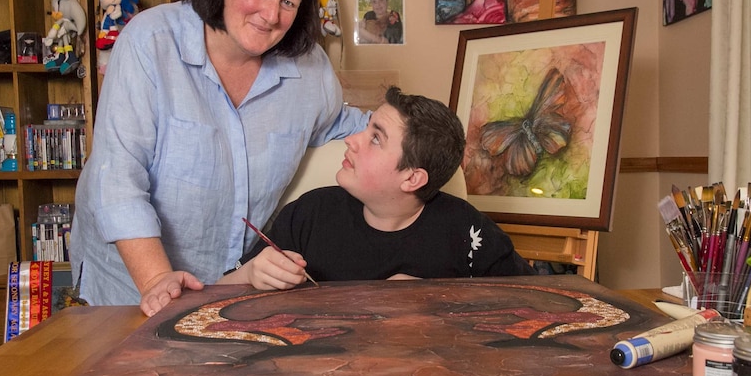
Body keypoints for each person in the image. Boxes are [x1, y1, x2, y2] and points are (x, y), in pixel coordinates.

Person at [70, 0, 368, 316]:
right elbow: (118, 175)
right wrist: (157, 281)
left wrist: (433, 130)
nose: (270, 15)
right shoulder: (151, 40)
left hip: (228, 287)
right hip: (129, 282)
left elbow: (342, 125)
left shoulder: (310, 67)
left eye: (289, 3)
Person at [219, 86, 535, 289]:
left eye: (375, 138)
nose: (351, 140)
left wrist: (439, 302)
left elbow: (539, 299)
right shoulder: (308, 214)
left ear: (412, 178)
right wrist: (248, 276)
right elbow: (216, 295)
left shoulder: (467, 232)